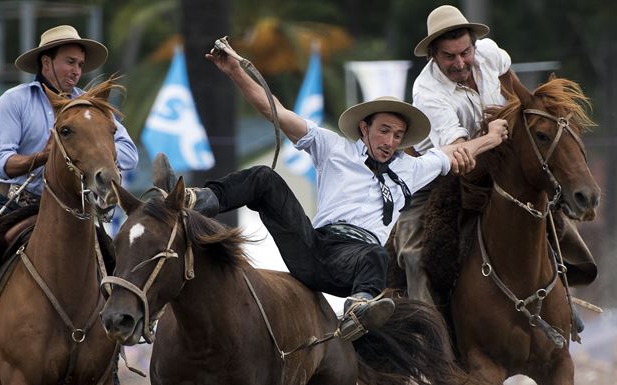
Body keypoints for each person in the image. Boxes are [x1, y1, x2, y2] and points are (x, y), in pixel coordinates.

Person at [186, 40, 507, 340]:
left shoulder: (410, 169)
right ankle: (198, 199)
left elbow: (450, 154)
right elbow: (276, 112)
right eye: (384, 131)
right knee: (262, 177)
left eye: (398, 135)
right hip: (313, 247)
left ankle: (358, 310)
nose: (390, 141)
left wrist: (492, 137)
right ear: (364, 128)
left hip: (355, 265)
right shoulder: (333, 147)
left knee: (376, 254)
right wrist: (235, 72)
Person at [391, 4, 593, 334]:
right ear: (433, 55)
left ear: (473, 45)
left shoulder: (489, 52)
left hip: (498, 154)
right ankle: (432, 334)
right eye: (449, 57)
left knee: (544, 202)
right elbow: (460, 155)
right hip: (441, 170)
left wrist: (538, 116)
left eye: (464, 52)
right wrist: (495, 136)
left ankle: (564, 297)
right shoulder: (426, 92)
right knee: (412, 250)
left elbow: (513, 86)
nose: (459, 63)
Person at [0, 25, 146, 385]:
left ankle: (111, 376)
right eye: (70, 62)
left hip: (73, 209)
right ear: (46, 62)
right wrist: (45, 155)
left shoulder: (89, 109)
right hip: (17, 203)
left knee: (120, 272)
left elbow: (128, 152)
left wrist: (99, 151)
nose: (76, 71)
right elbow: (3, 162)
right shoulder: (13, 101)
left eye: (80, 64)